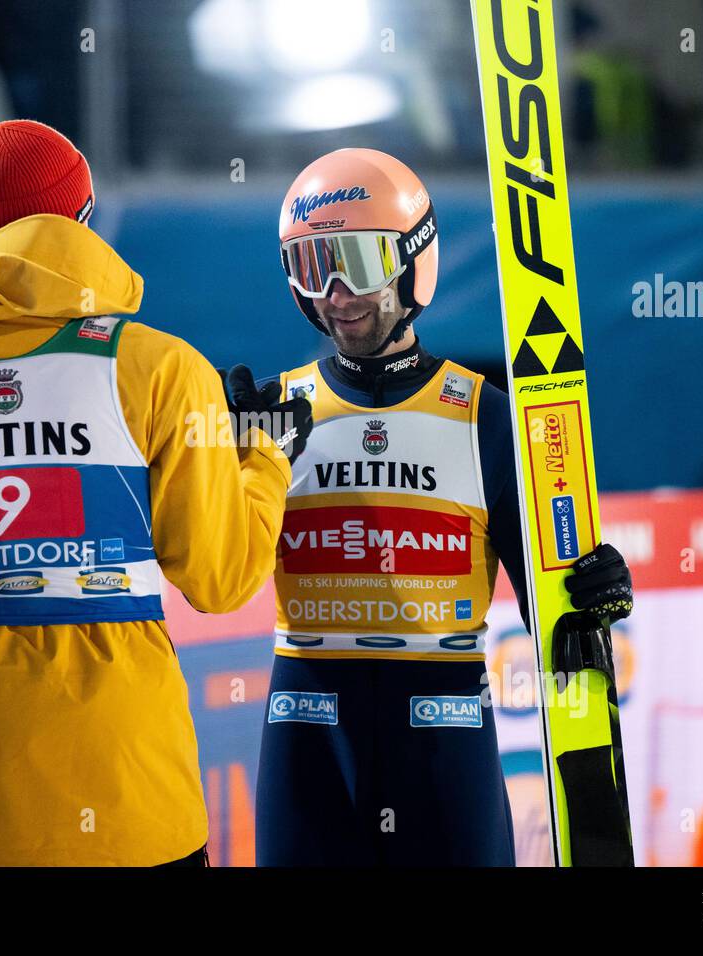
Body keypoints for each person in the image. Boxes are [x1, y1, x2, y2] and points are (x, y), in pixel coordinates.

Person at [0, 120, 310, 866]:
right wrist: (263, 457)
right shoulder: (162, 368)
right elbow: (221, 575)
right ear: (82, 215)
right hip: (138, 805)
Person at [254, 148, 633, 866]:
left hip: (443, 745)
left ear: (412, 260)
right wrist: (215, 462)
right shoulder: (271, 411)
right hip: (307, 747)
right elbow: (214, 576)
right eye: (311, 266)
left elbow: (551, 601)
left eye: (356, 263)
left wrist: (594, 592)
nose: (335, 292)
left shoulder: (486, 419)